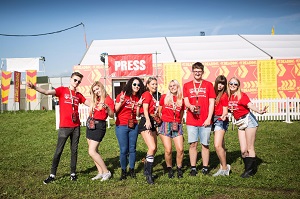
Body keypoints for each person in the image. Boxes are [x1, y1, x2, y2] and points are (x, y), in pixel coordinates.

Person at [27, 72, 89, 184]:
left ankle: (73, 173)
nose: (76, 83)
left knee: (74, 151)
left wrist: (100, 102)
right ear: (70, 79)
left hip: (76, 127)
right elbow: (46, 92)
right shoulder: (62, 90)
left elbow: (88, 103)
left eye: (79, 81)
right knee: (58, 151)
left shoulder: (78, 95)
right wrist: (34, 87)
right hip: (64, 128)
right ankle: (52, 174)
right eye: (75, 80)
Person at [228, 77, 267, 178]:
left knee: (250, 148)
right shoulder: (228, 96)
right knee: (243, 150)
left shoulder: (242, 95)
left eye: (235, 84)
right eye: (231, 83)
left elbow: (250, 105)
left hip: (249, 121)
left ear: (238, 86)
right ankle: (251, 168)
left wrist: (259, 111)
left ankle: (249, 171)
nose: (233, 85)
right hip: (240, 123)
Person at [183, 62, 216, 176]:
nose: (197, 73)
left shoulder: (208, 85)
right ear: (192, 72)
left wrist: (208, 118)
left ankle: (205, 167)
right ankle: (193, 168)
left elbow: (212, 103)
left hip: (205, 120)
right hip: (192, 120)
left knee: (205, 144)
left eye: (199, 71)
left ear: (202, 72)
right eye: (195, 71)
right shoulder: (187, 85)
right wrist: (190, 106)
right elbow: (186, 100)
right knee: (192, 144)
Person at [114, 77, 145, 180]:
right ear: (130, 84)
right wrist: (121, 102)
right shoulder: (122, 95)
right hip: (122, 125)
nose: (137, 86)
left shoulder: (138, 98)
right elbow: (115, 110)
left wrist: (139, 106)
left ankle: (131, 170)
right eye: (134, 84)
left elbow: (137, 115)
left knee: (132, 149)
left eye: (138, 85)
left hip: (134, 125)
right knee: (123, 150)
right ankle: (123, 171)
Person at [86, 81, 114, 181]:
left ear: (101, 88)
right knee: (94, 150)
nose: (96, 92)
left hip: (99, 126)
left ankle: (106, 172)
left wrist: (107, 108)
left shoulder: (107, 99)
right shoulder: (95, 99)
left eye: (97, 89)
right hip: (90, 124)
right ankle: (100, 172)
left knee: (92, 151)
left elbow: (112, 115)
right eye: (94, 91)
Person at [157, 79, 185, 178]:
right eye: (171, 86)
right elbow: (159, 111)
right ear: (169, 88)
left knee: (180, 149)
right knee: (168, 150)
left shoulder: (181, 99)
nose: (173, 87)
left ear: (178, 87)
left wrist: (179, 122)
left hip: (177, 124)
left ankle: (179, 168)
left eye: (174, 85)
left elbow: (181, 113)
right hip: (165, 124)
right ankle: (169, 169)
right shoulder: (164, 97)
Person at [138, 77, 159, 184]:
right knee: (152, 147)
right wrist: (147, 120)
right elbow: (145, 109)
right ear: (147, 85)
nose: (155, 86)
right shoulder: (146, 94)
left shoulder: (153, 96)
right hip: (146, 122)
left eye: (156, 84)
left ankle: (146, 170)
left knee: (155, 149)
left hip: (152, 121)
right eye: (153, 84)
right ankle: (149, 174)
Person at [212, 75, 231, 176]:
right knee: (222, 145)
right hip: (213, 120)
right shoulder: (213, 93)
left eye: (223, 84)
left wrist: (224, 116)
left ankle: (224, 168)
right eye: (219, 83)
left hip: (220, 120)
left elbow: (225, 110)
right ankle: (223, 166)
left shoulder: (224, 95)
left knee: (217, 145)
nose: (220, 85)